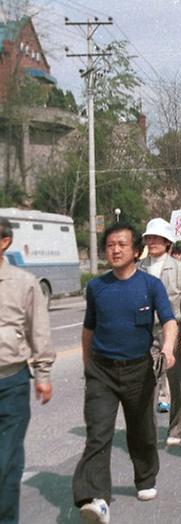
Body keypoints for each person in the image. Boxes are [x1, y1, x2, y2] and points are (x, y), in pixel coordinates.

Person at [73, 222, 178, 522]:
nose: (115, 249)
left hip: (138, 370)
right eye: (110, 245)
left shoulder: (150, 285)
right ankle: (95, 498)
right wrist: (87, 367)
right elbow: (88, 330)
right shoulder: (96, 287)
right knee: (98, 433)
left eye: (121, 244)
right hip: (102, 372)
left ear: (136, 251)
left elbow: (169, 321)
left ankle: (145, 478)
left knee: (142, 430)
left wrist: (168, 348)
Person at [0, 217, 54, 523]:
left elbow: (39, 332)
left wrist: (43, 375)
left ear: (4, 242)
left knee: (5, 461)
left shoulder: (24, 283)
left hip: (11, 383)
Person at [139, 218, 181, 445]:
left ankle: (177, 428)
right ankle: (146, 430)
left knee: (177, 381)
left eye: (157, 238)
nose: (152, 242)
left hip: (173, 329)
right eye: (149, 238)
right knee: (145, 381)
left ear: (167, 242)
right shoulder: (138, 268)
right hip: (145, 331)